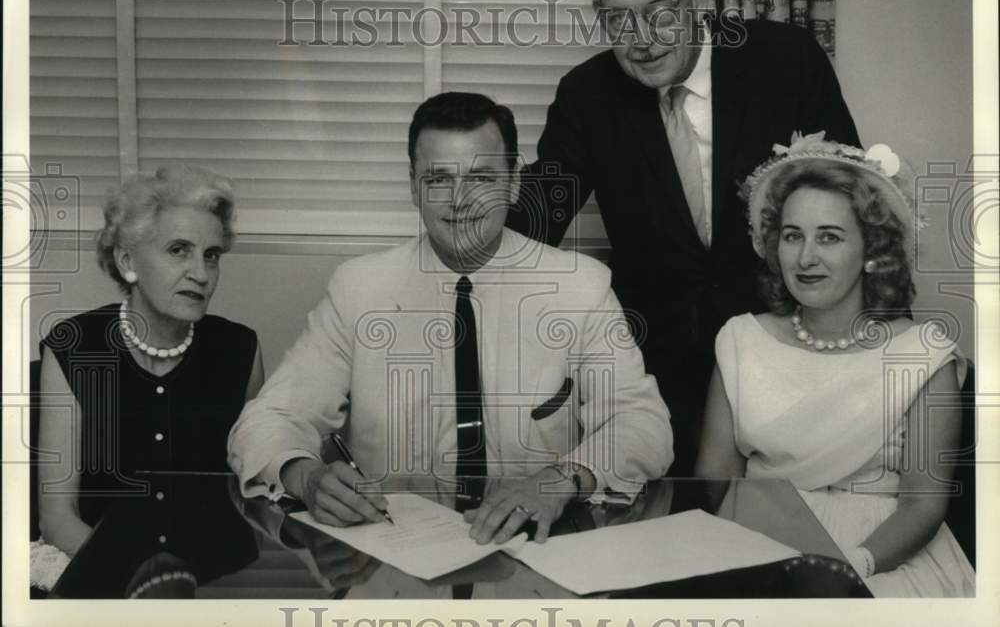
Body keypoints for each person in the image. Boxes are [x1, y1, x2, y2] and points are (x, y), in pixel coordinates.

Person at [228, 92, 673, 545]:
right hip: (394, 559)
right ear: (413, 186)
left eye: (481, 177)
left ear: (515, 182)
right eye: (439, 180)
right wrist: (305, 477)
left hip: (537, 555)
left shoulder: (581, 286)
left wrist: (561, 479)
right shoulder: (358, 289)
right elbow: (268, 419)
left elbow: (643, 423)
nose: (460, 201)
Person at [507, 0, 861, 475]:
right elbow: (534, 222)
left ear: (697, 0)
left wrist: (880, 340)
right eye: (619, 20)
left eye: (658, 11)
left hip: (785, 345)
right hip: (655, 366)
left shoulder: (785, 61)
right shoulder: (587, 97)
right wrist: (464, 209)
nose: (642, 39)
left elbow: (852, 201)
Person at [695, 132, 975, 597]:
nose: (806, 258)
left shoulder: (925, 353)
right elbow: (714, 479)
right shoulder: (740, 339)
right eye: (792, 236)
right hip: (756, 543)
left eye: (830, 237)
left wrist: (848, 567)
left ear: (872, 250)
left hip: (883, 557)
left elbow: (923, 505)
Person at [36, 164, 264, 561]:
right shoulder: (73, 347)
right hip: (102, 571)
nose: (201, 274)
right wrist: (134, 586)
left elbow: (258, 499)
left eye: (211, 256)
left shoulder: (240, 349)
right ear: (128, 261)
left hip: (214, 577)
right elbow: (57, 518)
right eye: (179, 250)